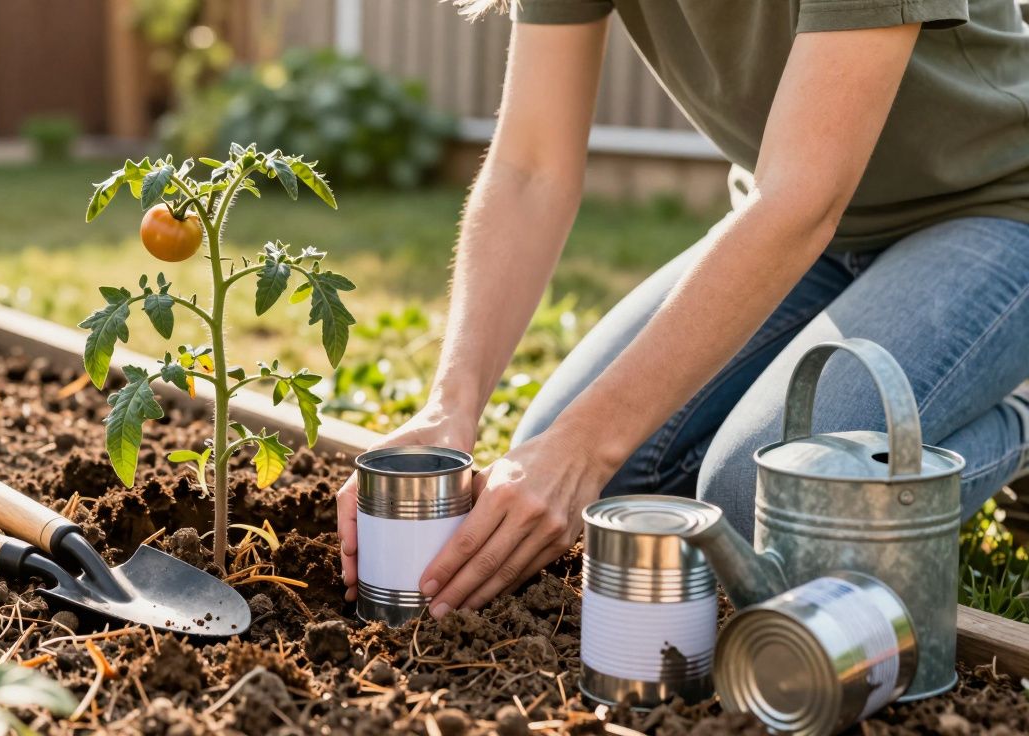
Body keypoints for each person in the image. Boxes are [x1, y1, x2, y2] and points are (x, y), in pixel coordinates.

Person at [335, 0, 1029, 620]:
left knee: (757, 499)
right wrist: (449, 407)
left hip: (995, 209)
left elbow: (803, 195)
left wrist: (585, 444)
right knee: (591, 480)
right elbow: (530, 169)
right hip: (808, 234)